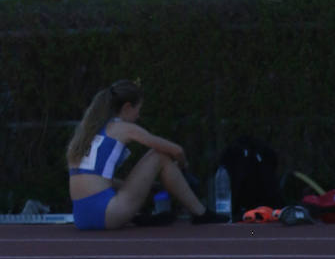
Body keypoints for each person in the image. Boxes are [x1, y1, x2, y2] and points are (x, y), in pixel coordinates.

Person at [66, 79, 225, 230]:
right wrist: (183, 167)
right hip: (108, 213)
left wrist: (148, 187)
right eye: (138, 110)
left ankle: (142, 215)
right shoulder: (122, 128)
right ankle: (201, 213)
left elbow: (96, 178)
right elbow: (177, 150)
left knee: (143, 176)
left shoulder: (85, 135)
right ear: (127, 107)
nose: (138, 116)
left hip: (81, 218)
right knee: (159, 155)